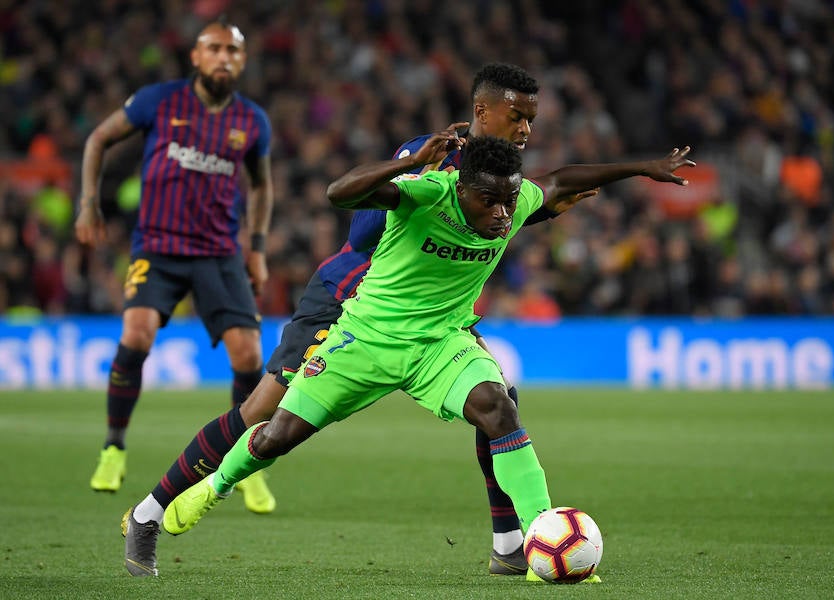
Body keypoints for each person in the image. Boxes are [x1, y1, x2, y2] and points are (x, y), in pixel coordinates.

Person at [120, 62, 693, 577]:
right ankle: (159, 509)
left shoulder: (509, 186)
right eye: (517, 117)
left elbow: (552, 186)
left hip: (436, 328)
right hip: (355, 296)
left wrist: (640, 168)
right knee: (264, 422)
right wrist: (415, 192)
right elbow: (360, 223)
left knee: (497, 403)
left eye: (531, 121)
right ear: (482, 111)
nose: (524, 129)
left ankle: (521, 540)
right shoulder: (432, 163)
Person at [75, 18, 275, 520]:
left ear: (242, 61)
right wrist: (87, 203)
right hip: (158, 248)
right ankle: (114, 447)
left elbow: (262, 185)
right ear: (195, 55)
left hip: (218, 252)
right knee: (137, 334)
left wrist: (256, 247)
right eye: (213, 48)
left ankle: (246, 464)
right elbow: (98, 139)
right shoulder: (157, 101)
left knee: (249, 352)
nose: (223, 57)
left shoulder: (252, 121)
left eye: (232, 50)